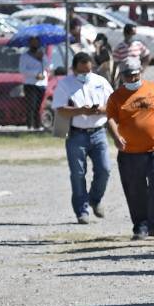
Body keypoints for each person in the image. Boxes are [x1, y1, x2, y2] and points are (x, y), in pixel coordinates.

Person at [107, 59, 154, 238]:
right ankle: (140, 226)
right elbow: (110, 118)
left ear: (141, 72)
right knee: (135, 189)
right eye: (129, 75)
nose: (133, 78)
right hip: (130, 153)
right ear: (123, 76)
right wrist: (116, 136)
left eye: (136, 74)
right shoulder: (116, 96)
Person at [52, 52, 115, 224]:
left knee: (105, 169)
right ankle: (82, 210)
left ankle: (95, 199)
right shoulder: (65, 84)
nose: (85, 75)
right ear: (74, 68)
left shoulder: (100, 82)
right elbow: (59, 109)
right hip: (76, 134)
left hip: (98, 132)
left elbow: (113, 105)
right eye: (82, 72)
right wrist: (81, 111)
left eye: (88, 71)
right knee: (78, 174)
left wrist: (100, 110)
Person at [19, 36, 52, 130]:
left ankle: (37, 126)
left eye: (36, 42)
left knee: (38, 106)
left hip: (41, 84)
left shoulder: (42, 55)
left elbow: (47, 66)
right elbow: (22, 70)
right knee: (31, 106)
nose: (35, 44)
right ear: (29, 43)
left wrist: (41, 58)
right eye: (33, 42)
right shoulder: (25, 56)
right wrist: (35, 74)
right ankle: (30, 126)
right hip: (30, 84)